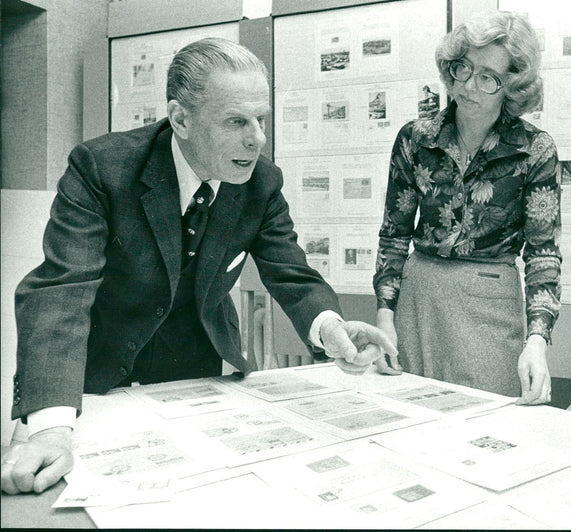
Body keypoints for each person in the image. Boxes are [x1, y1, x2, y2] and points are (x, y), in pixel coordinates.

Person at [1, 38, 395, 495]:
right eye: (236, 121)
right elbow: (61, 289)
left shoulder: (260, 181)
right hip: (92, 380)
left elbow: (291, 271)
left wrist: (330, 326)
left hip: (194, 376)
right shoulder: (101, 168)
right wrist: (49, 428)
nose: (257, 138)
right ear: (181, 119)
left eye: (261, 119)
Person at [373, 11, 562, 403]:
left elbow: (543, 254)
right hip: (419, 300)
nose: (470, 86)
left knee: (488, 422)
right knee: (411, 417)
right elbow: (394, 235)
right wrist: (385, 315)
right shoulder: (416, 139)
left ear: (513, 85)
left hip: (490, 301)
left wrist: (537, 341)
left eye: (489, 77)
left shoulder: (535, 150)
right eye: (463, 69)